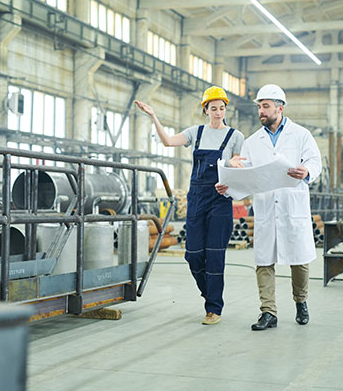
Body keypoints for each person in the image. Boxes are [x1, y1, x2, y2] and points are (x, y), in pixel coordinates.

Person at [134, 86, 244, 325]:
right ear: (205, 110)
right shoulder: (196, 132)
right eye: (213, 108)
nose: (218, 112)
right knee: (193, 254)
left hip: (220, 199)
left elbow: (241, 168)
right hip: (196, 197)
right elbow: (167, 142)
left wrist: (234, 169)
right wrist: (154, 116)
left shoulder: (236, 136)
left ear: (226, 110)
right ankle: (209, 294)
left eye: (222, 108)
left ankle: (214, 308)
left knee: (215, 256)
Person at [217, 84, 322, 331]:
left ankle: (301, 301)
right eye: (259, 107)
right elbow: (246, 175)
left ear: (280, 108)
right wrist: (229, 184)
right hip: (265, 208)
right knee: (264, 261)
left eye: (265, 107)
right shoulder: (254, 141)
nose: (261, 112)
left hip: (291, 204)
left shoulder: (301, 135)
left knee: (300, 259)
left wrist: (307, 171)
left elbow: (314, 161)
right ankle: (268, 312)